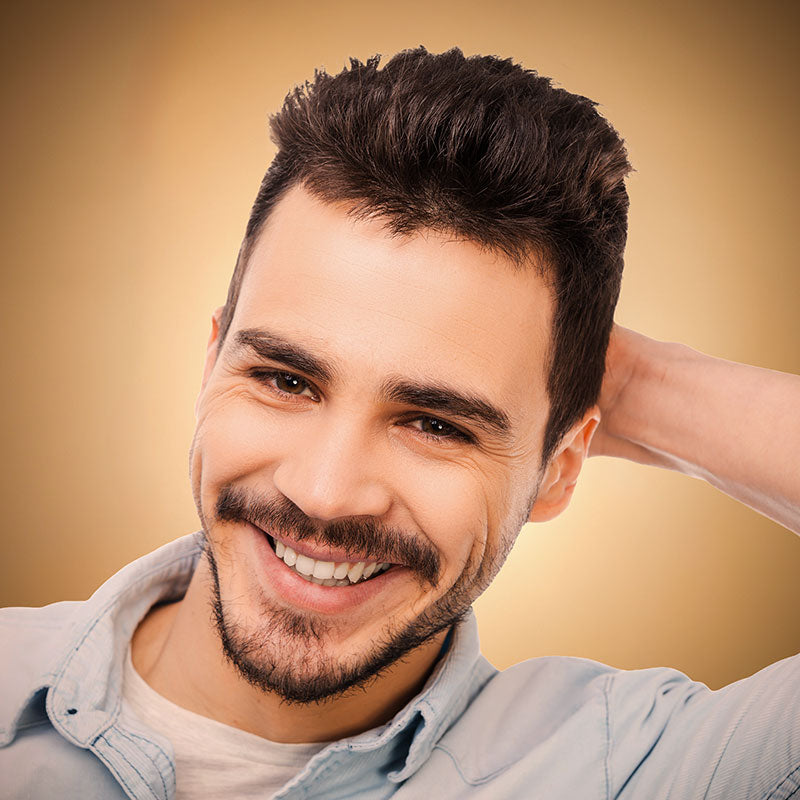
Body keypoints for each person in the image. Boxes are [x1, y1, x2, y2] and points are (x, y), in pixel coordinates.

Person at [1, 46, 797, 800]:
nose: (324, 493)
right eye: (286, 380)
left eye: (437, 425)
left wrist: (635, 384)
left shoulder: (634, 772)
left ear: (558, 470)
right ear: (213, 365)